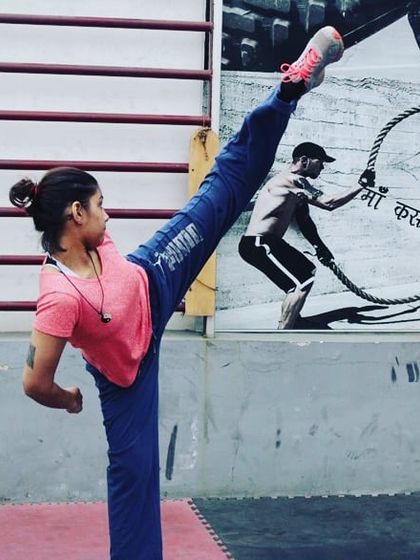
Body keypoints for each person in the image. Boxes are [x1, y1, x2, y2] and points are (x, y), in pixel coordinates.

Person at [9, 26, 344, 560]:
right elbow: (33, 382)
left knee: (223, 188)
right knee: (133, 474)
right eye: (100, 205)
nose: (108, 214)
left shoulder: (85, 234)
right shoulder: (59, 297)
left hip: (154, 279)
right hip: (127, 376)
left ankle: (288, 92)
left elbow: (77, 215)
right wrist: (68, 398)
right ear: (77, 215)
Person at [239, 141, 363, 330]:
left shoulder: (297, 190)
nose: (322, 167)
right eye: (320, 162)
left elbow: (304, 221)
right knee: (299, 284)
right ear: (304, 160)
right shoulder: (292, 180)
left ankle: (294, 319)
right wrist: (360, 185)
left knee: (307, 271)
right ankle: (284, 332)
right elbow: (329, 203)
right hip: (257, 243)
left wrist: (319, 247)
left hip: (270, 242)